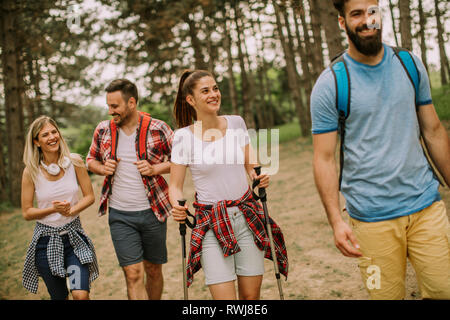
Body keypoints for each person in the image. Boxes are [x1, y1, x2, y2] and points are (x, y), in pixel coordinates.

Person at [311, 0, 450, 300]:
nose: (366, 20)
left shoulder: (409, 64)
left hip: (426, 206)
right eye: (356, 14)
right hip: (371, 220)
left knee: (444, 290)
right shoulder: (331, 83)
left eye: (371, 11)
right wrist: (336, 221)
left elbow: (434, 131)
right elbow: (324, 159)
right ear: (341, 22)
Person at [169, 69, 288, 300]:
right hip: (212, 224)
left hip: (246, 216)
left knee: (251, 299)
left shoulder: (236, 123)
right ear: (191, 100)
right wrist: (177, 206)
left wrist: (259, 177)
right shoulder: (183, 137)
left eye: (215, 88)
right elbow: (175, 186)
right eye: (205, 91)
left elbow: (251, 165)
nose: (213, 94)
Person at [86, 79, 173, 300]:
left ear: (131, 102)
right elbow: (90, 160)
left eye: (115, 106)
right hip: (120, 215)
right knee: (133, 274)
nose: (110, 111)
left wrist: (155, 169)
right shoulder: (103, 129)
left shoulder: (158, 127)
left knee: (153, 270)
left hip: (153, 212)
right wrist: (102, 168)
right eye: (108, 106)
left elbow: (180, 160)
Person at [21, 116, 99, 300]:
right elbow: (27, 212)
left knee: (81, 295)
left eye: (54, 132)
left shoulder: (75, 162)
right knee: (59, 297)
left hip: (73, 241)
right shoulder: (30, 171)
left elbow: (89, 196)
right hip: (45, 243)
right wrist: (53, 210)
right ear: (36, 142)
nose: (52, 137)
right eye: (45, 134)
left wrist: (71, 210)